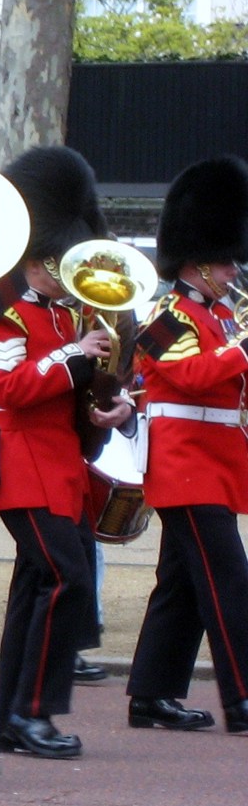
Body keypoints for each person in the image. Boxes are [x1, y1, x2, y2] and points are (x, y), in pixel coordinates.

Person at [0, 146, 126, 760]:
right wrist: (74, 358)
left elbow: (79, 391)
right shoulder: (0, 314)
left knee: (38, 586)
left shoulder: (68, 316)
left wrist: (115, 404)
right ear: (38, 259)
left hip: (60, 466)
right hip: (21, 462)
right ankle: (33, 712)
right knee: (66, 580)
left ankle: (14, 719)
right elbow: (9, 389)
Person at [125, 154, 248, 737]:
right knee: (229, 583)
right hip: (184, 465)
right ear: (198, 263)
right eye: (226, 262)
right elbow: (191, 378)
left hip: (213, 463)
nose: (233, 271)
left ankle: (152, 694)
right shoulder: (164, 314)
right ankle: (243, 697)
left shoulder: (221, 316)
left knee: (178, 585)